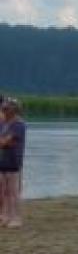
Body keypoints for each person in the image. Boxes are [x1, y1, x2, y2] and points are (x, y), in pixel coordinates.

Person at [0, 98, 26, 228]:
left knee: (13, 191)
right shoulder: (4, 124)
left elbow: (6, 142)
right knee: (4, 191)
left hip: (14, 161)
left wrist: (4, 141)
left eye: (6, 109)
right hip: (3, 161)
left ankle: (16, 218)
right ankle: (5, 216)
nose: (3, 111)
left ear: (13, 110)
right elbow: (4, 142)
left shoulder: (18, 124)